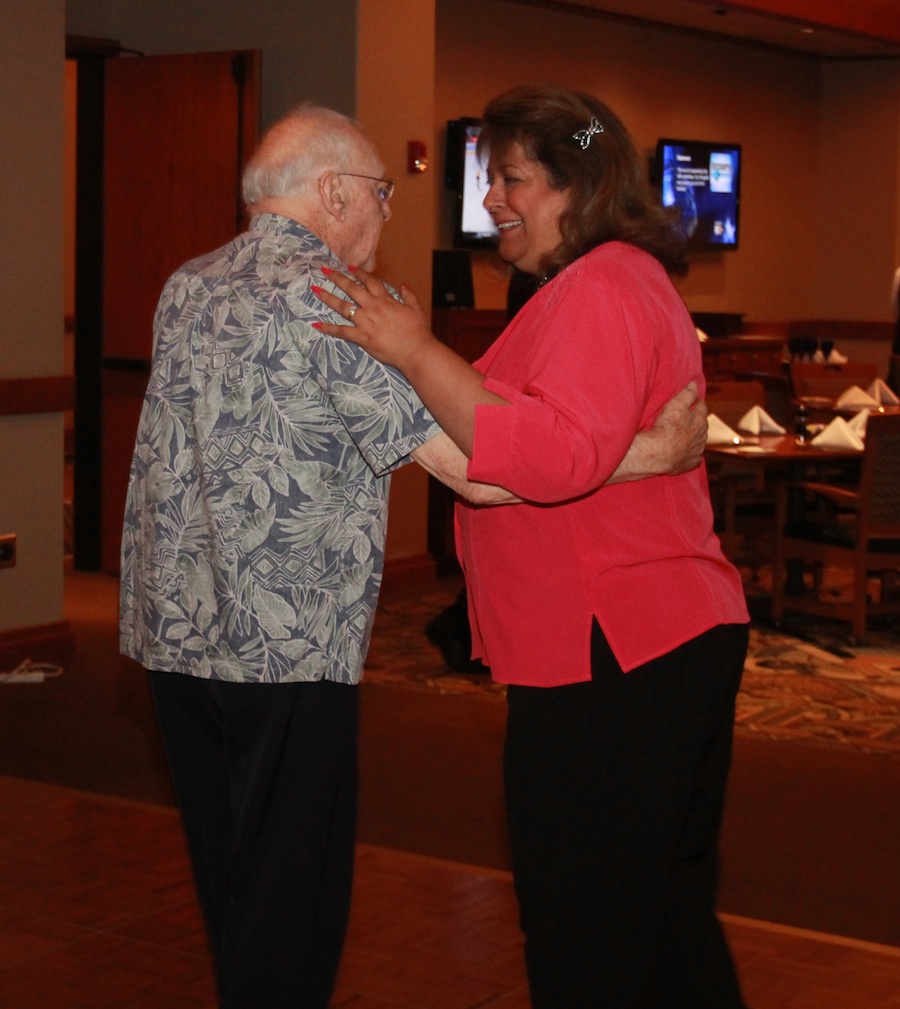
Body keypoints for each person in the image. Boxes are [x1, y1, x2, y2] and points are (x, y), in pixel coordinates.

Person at [119, 101, 709, 1009]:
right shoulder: (340, 303)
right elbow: (480, 472)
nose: (388, 215)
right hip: (288, 653)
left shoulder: (186, 286)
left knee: (229, 882)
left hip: (174, 642)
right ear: (332, 194)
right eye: (381, 195)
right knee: (290, 904)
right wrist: (651, 455)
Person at [314, 84, 752, 1009]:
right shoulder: (604, 284)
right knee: (661, 918)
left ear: (577, 185)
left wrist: (413, 347)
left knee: (584, 924)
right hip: (646, 639)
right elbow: (540, 445)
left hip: (620, 644)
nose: (494, 202)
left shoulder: (601, 286)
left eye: (511, 178)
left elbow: (549, 458)